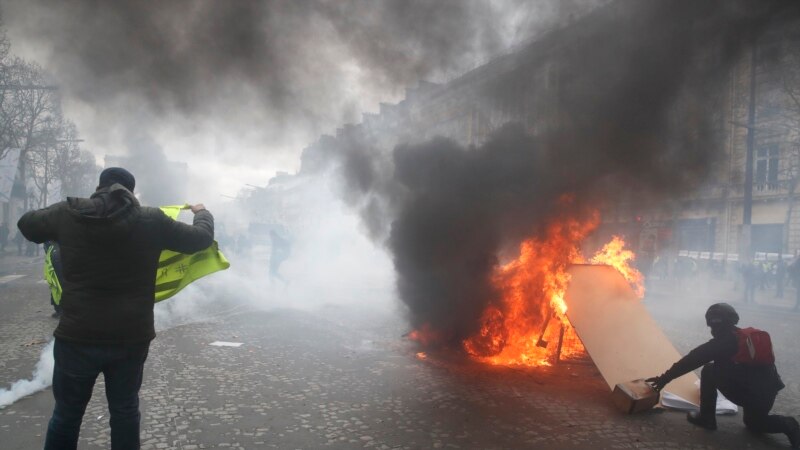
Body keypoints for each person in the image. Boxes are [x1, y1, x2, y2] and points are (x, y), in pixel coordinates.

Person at [17, 167, 214, 450]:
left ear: (99, 187)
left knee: (67, 414)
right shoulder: (152, 220)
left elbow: (27, 224)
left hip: (77, 336)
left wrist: (58, 210)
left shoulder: (68, 213)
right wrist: (201, 212)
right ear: (131, 192)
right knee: (124, 412)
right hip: (130, 338)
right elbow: (201, 238)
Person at [646, 303, 799, 448]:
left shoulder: (722, 343)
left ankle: (707, 418)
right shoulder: (744, 337)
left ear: (713, 324)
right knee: (754, 423)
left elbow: (692, 360)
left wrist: (664, 378)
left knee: (709, 370)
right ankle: (787, 424)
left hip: (748, 393)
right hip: (767, 393)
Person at [43, 240, 64, 318]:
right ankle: (60, 309)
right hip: (56, 255)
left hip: (55, 255)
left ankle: (60, 309)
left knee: (57, 286)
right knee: (59, 285)